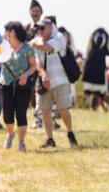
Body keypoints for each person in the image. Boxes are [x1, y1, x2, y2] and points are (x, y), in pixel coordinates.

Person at [30, 18, 78, 148]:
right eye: (37, 29)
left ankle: (70, 132)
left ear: (50, 28)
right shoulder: (37, 41)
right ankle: (50, 139)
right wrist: (43, 74)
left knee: (63, 110)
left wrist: (33, 44)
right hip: (45, 82)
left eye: (42, 28)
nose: (39, 31)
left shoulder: (59, 37)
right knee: (45, 111)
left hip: (60, 80)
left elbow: (47, 48)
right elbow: (37, 62)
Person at [0, 21, 37, 151]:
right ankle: (10, 134)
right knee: (7, 114)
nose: (7, 33)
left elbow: (34, 65)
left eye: (10, 30)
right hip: (6, 84)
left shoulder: (27, 48)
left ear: (17, 32)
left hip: (23, 85)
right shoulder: (4, 47)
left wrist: (26, 75)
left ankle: (21, 142)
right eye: (7, 31)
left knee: (21, 114)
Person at [83, 28, 109, 111]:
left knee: (97, 88)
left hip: (97, 63)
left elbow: (88, 49)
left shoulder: (95, 35)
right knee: (96, 88)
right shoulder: (103, 36)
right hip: (95, 63)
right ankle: (94, 105)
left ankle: (95, 105)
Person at [26, 0, 45, 129]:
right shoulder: (26, 28)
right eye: (33, 11)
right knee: (32, 93)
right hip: (30, 65)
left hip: (44, 64)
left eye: (37, 11)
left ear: (41, 12)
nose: (35, 13)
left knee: (47, 91)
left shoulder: (46, 26)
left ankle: (51, 118)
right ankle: (37, 119)